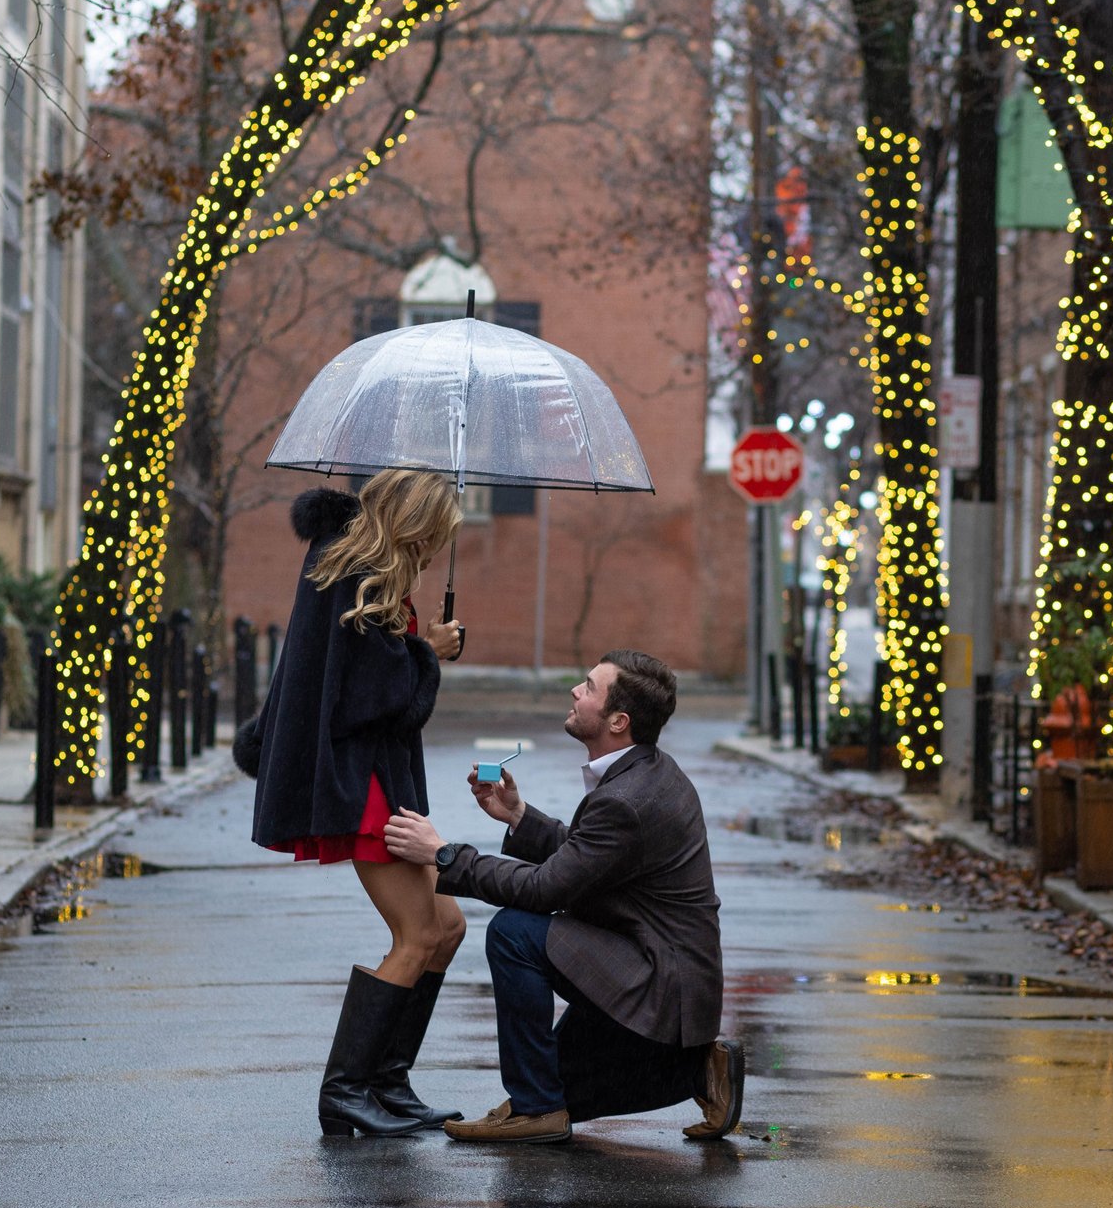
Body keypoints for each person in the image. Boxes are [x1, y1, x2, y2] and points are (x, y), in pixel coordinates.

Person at [382, 650, 743, 1145]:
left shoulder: (626, 798)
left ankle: (535, 1109)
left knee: (514, 932)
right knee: (562, 1083)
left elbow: (545, 888)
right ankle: (699, 1071)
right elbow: (588, 859)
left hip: (660, 980)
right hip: (661, 967)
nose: (576, 691)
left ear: (618, 721)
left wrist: (444, 855)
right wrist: (518, 816)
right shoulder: (649, 773)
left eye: (590, 687)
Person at [238, 470, 468, 1137]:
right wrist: (429, 653)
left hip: (381, 780)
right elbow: (373, 698)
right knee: (418, 932)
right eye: (431, 539)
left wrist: (416, 643)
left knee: (447, 927)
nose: (431, 553)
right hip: (365, 782)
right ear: (412, 526)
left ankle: (386, 1082)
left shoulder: (360, 572)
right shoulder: (359, 575)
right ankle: (345, 1093)